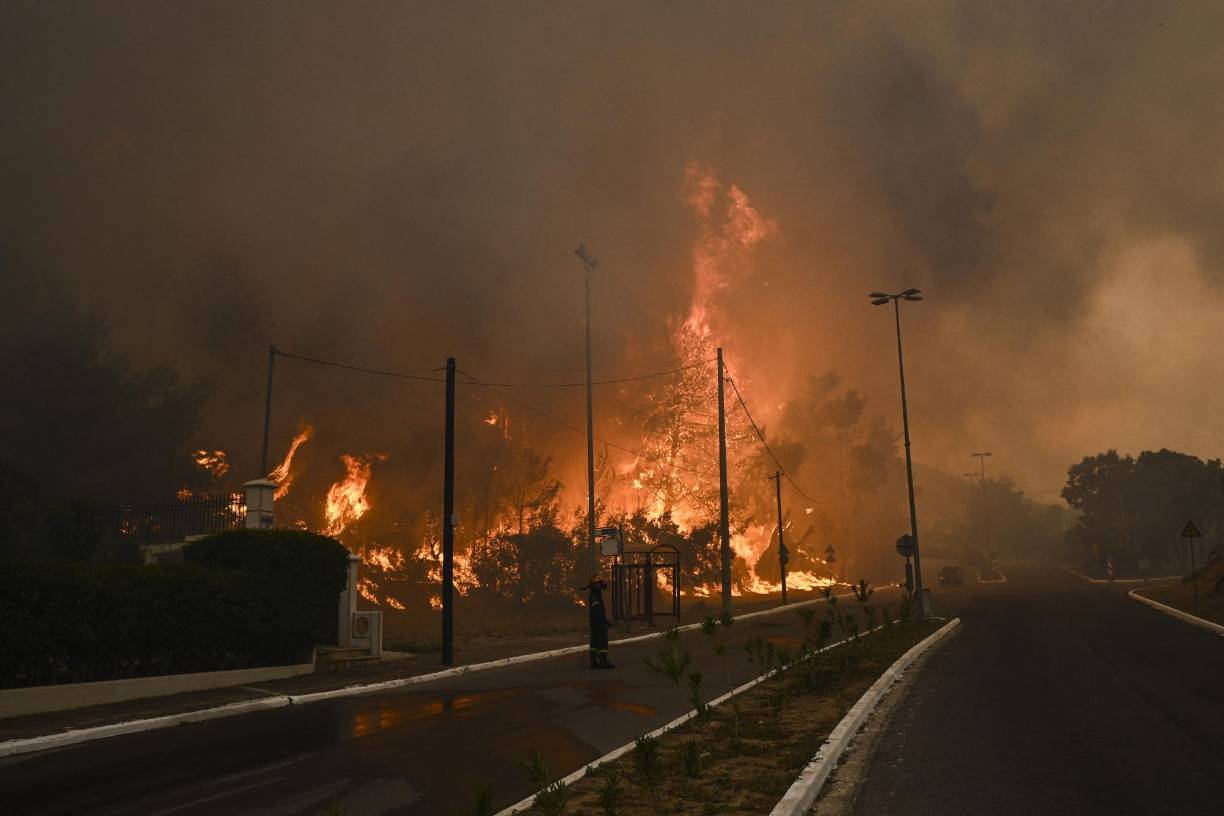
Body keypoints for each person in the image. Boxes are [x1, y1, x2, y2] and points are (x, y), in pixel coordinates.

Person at [582, 574, 615, 669]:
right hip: (598, 622)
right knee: (602, 641)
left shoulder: (594, 595)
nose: (602, 585)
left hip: (594, 621)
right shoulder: (595, 596)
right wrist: (605, 621)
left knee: (595, 641)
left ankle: (593, 662)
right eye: (600, 583)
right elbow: (597, 611)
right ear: (595, 585)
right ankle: (603, 661)